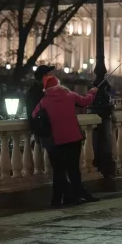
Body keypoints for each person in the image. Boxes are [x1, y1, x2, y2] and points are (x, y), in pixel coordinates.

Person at [32, 74, 100, 206]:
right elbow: (85, 101)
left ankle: (57, 200)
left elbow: (34, 115)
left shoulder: (44, 102)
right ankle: (75, 197)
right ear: (59, 84)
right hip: (73, 138)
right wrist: (92, 92)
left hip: (55, 141)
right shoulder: (69, 95)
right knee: (74, 169)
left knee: (58, 171)